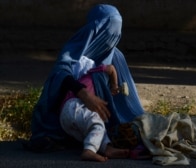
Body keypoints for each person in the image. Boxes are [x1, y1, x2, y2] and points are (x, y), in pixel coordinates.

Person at [25, 4, 145, 152]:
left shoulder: (116, 56)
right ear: (96, 28)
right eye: (107, 30)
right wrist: (83, 93)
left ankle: (98, 143)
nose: (111, 37)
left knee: (135, 130)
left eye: (116, 32)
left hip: (99, 115)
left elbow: (127, 101)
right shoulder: (76, 47)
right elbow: (60, 75)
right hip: (66, 110)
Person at [60, 57, 129, 161]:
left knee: (95, 130)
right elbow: (111, 68)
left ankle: (106, 148)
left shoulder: (85, 83)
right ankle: (89, 151)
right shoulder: (94, 73)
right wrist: (114, 85)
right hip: (74, 106)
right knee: (97, 123)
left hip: (66, 116)